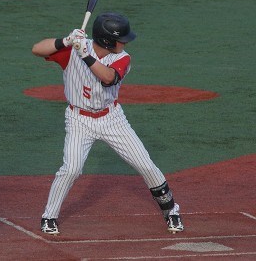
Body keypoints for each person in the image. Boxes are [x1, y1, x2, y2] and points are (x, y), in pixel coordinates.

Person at [32, 12, 184, 235]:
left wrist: (86, 56)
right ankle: (49, 216)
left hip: (111, 119)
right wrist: (64, 41)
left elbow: (108, 78)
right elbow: (37, 49)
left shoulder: (122, 58)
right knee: (71, 169)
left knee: (145, 164)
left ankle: (171, 211)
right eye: (121, 39)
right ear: (107, 40)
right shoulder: (73, 50)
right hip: (78, 120)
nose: (125, 42)